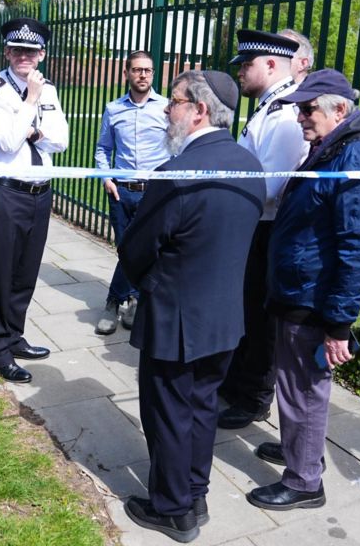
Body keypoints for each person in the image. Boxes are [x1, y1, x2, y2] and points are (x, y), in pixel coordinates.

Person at [119, 70, 265, 543]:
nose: (167, 109)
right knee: (201, 410)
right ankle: (195, 492)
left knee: (167, 414)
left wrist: (148, 284)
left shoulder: (176, 174)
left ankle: (172, 509)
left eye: (175, 101)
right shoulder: (249, 163)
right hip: (224, 316)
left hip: (175, 317)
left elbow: (137, 250)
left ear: (200, 110)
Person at [246, 69, 360, 511]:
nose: (300, 119)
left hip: (314, 298)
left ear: (340, 111)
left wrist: (338, 322)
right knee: (296, 383)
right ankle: (301, 450)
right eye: (299, 109)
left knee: (304, 387)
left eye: (308, 110)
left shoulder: (359, 155)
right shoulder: (332, 147)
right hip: (297, 287)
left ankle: (304, 480)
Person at [217, 30, 309, 430]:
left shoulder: (286, 116)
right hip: (254, 226)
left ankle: (254, 396)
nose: (240, 72)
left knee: (260, 317)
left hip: (268, 229)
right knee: (247, 310)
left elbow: (268, 185)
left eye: (247, 65)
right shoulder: (271, 107)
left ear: (271, 65)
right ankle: (239, 384)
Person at [0, 18, 69, 383]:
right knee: (2, 272)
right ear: (6, 51)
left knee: (26, 273)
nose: (23, 57)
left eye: (31, 51)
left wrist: (33, 129)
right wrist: (30, 104)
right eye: (17, 50)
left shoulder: (49, 88)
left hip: (40, 193)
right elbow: (7, 141)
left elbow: (61, 140)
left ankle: (14, 336)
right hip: (8, 192)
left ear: (42, 54)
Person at [93, 50, 170, 335]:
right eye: (137, 70)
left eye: (148, 70)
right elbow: (103, 148)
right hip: (121, 191)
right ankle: (133, 297)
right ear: (126, 73)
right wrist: (107, 178)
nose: (143, 75)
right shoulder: (114, 109)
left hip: (154, 193)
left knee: (143, 249)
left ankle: (117, 302)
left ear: (153, 74)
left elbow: (176, 148)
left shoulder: (166, 107)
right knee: (126, 248)